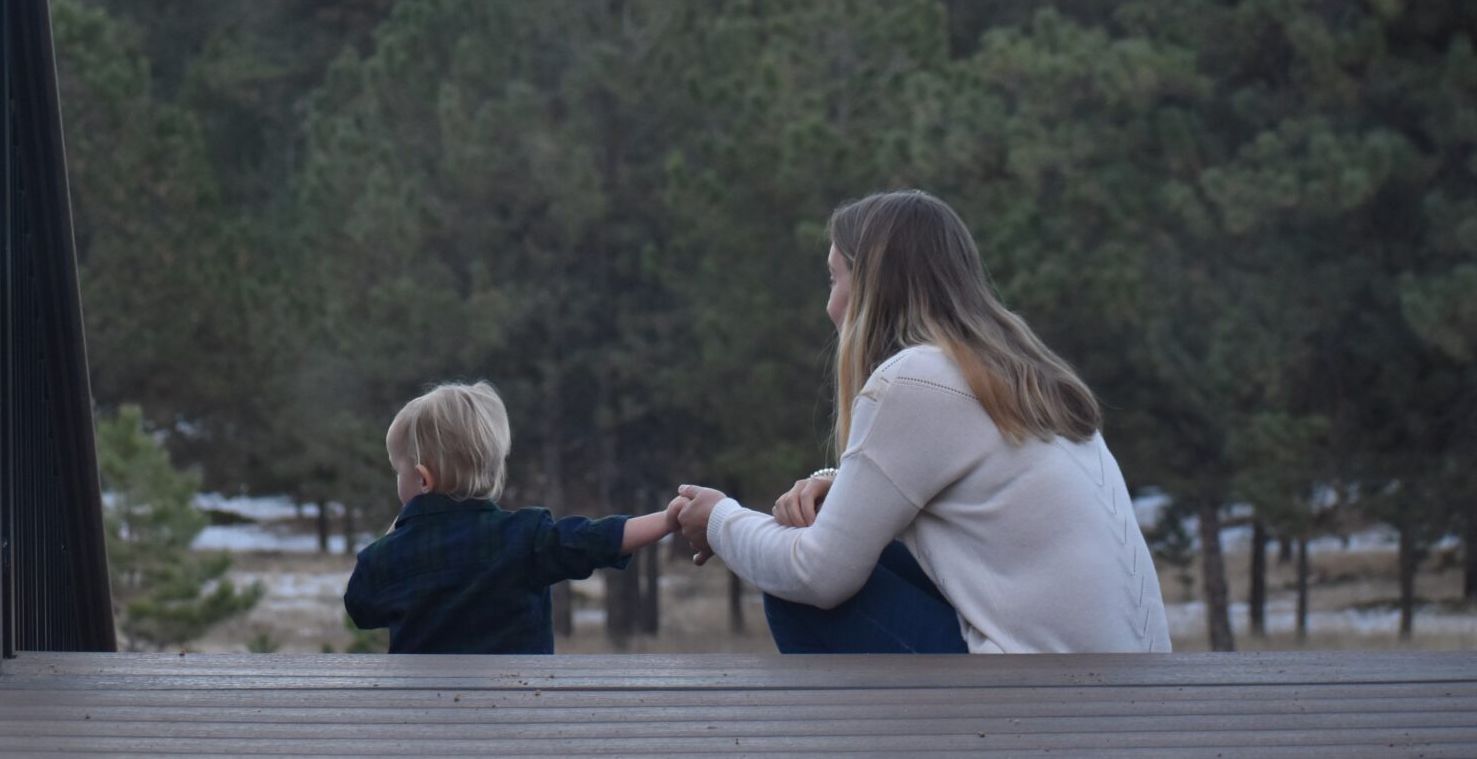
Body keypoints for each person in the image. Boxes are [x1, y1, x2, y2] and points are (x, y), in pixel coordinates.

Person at [673, 190, 1169, 654]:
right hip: (1123, 685)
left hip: (1046, 701)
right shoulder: (1020, 371)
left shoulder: (915, 379)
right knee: (861, 555)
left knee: (794, 593)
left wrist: (718, 520)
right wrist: (839, 486)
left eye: (834, 278)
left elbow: (816, 576)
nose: (830, 305)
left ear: (870, 286)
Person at [344, 380, 682, 653]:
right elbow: (594, 540)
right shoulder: (524, 536)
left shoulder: (386, 559)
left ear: (421, 479)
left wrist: (399, 529)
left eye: (396, 472)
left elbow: (361, 607)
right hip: (515, 722)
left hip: (423, 726)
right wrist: (668, 519)